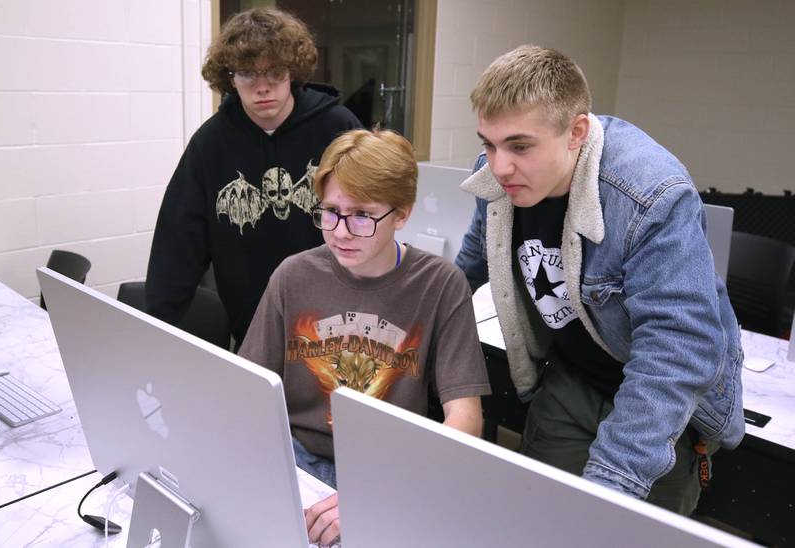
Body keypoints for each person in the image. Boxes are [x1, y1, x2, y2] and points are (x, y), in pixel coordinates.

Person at [455, 44, 744, 515]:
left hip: (658, 403)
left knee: (614, 527)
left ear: (577, 133)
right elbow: (471, 262)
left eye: (520, 146)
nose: (499, 165)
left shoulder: (651, 194)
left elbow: (677, 349)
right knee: (542, 521)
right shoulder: (497, 175)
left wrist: (610, 485)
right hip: (573, 378)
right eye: (488, 143)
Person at [239, 129, 491, 545]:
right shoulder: (293, 276)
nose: (340, 231)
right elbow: (245, 388)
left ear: (402, 214)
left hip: (391, 472)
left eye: (361, 215)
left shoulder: (441, 284)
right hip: (297, 458)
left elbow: (466, 419)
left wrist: (381, 490)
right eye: (330, 211)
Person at [145, 8, 362, 346]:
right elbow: (177, 244)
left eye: (274, 72)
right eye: (247, 74)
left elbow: (372, 218)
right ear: (230, 78)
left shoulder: (338, 129)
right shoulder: (211, 144)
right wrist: (154, 332)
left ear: (292, 70)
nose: (262, 87)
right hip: (251, 327)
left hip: (337, 322)